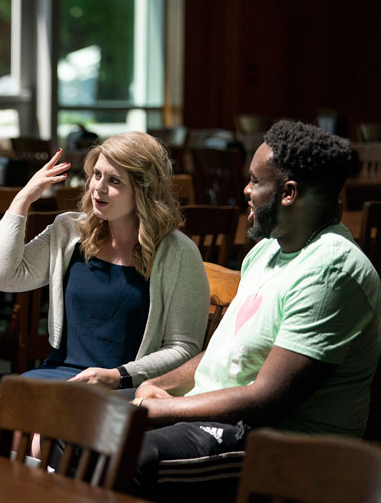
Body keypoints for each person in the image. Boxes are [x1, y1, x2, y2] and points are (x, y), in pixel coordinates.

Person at [129, 120, 381, 498]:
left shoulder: (332, 270)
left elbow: (266, 400)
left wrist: (156, 411)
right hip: (226, 418)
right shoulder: (267, 250)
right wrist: (156, 385)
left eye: (255, 181)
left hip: (285, 451)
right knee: (82, 418)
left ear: (288, 193)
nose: (246, 190)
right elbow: (225, 353)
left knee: (125, 451)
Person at [0, 132, 210, 446]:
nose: (97, 187)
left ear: (143, 192)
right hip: (62, 372)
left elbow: (184, 348)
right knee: (0, 408)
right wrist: (23, 200)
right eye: (96, 175)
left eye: (114, 181)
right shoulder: (70, 231)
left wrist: (117, 375)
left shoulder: (177, 252)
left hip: (127, 384)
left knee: (41, 435)